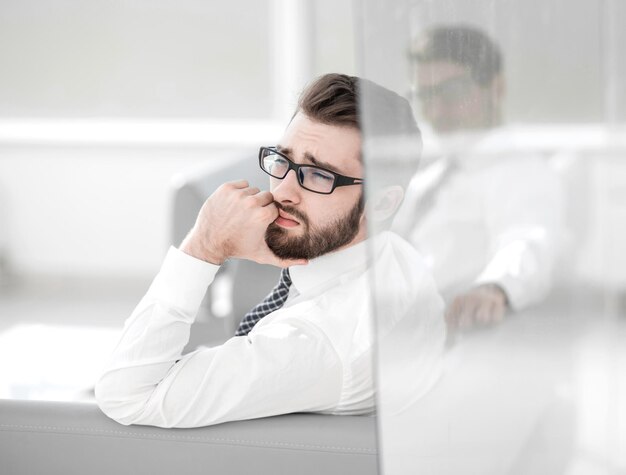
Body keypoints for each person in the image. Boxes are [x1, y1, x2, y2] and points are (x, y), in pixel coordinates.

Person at [95, 73, 445, 428]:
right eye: (284, 161)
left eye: (320, 175)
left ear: (383, 204)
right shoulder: (397, 256)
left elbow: (126, 397)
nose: (283, 191)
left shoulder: (314, 344)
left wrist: (204, 246)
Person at [397, 25, 564, 332]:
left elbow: (527, 239)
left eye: (451, 92)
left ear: (496, 88)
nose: (435, 110)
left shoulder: (521, 172)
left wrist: (495, 288)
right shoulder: (430, 179)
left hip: (467, 350)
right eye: (425, 95)